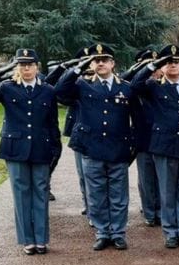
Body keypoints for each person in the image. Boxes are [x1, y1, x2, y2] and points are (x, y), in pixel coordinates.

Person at [0, 49, 61, 255]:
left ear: (37, 67)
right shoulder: (7, 87)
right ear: (16, 68)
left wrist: (56, 148)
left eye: (30, 64)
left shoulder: (48, 90)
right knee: (21, 193)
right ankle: (27, 240)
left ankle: (41, 239)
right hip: (15, 149)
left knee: (40, 192)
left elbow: (52, 122)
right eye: (21, 65)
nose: (26, 68)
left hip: (41, 147)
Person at [54, 43, 136, 251]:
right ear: (91, 64)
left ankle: (118, 232)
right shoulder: (82, 85)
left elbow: (137, 118)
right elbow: (59, 91)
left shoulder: (125, 87)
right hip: (92, 149)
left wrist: (133, 146)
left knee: (119, 195)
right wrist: (77, 68)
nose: (100, 63)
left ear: (112, 63)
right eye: (96, 60)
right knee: (96, 194)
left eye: (104, 60)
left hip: (118, 148)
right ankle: (102, 232)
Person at [129, 44, 179, 249]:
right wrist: (151, 65)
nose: (172, 65)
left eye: (176, 62)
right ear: (161, 67)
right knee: (167, 192)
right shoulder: (154, 87)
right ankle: (170, 233)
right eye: (167, 62)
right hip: (163, 148)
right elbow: (134, 85)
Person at [46, 47, 90, 218]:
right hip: (78, 126)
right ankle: (87, 202)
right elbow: (58, 93)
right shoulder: (73, 80)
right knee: (82, 171)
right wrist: (68, 70)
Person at [129, 48, 162, 227]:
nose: (154, 71)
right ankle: (150, 212)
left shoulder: (162, 86)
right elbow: (132, 82)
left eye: (157, 66)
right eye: (150, 66)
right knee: (146, 178)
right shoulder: (138, 86)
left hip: (161, 139)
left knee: (161, 178)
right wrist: (143, 68)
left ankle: (160, 210)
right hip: (143, 139)